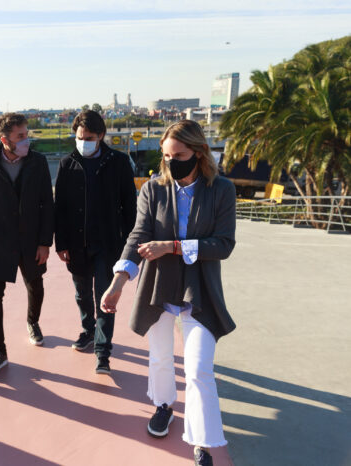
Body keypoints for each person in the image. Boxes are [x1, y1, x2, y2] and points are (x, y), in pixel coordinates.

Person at [101, 120, 236, 466]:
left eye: (178, 155)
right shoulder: (153, 189)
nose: (171, 162)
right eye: (166, 156)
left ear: (199, 152)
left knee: (198, 369)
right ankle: (164, 406)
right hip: (158, 286)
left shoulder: (221, 189)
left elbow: (222, 245)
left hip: (199, 289)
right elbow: (138, 235)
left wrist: (172, 247)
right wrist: (118, 282)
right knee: (160, 357)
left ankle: (203, 443)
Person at [0, 112, 54, 377]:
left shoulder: (38, 162)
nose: (26, 140)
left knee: (35, 284)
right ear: (5, 139)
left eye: (27, 134)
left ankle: (33, 322)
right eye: (21, 136)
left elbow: (47, 204)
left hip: (31, 240)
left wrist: (45, 242)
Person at [54, 110, 136, 374]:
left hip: (109, 244)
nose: (83, 141)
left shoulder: (119, 162)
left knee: (105, 297)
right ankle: (88, 330)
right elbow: (61, 208)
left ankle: (103, 351)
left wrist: (129, 246)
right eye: (79, 137)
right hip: (77, 243)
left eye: (89, 137)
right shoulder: (67, 163)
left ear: (101, 135)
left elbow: (130, 207)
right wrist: (61, 242)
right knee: (81, 295)